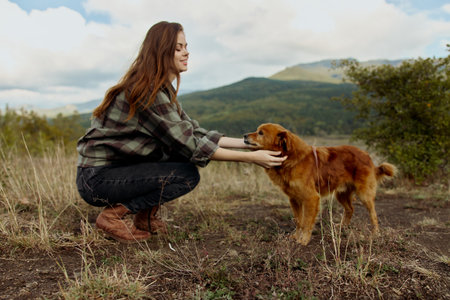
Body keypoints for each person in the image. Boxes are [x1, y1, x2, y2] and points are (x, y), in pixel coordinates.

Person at [76, 21, 286, 243]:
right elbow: (191, 145)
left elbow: (193, 131)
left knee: (175, 155)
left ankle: (145, 217)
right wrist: (252, 158)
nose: (186, 53)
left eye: (186, 47)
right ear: (161, 52)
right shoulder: (148, 93)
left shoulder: (160, 90)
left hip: (113, 173)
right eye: (178, 48)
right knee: (185, 175)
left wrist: (249, 143)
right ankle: (112, 216)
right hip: (97, 179)